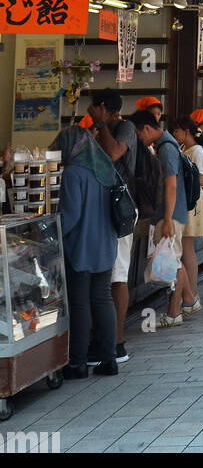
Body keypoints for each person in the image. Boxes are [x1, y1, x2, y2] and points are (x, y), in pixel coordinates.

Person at [56, 125, 119, 378]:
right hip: (105, 244)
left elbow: (69, 216)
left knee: (80, 304)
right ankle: (109, 359)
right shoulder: (105, 168)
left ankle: (78, 363)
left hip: (81, 247)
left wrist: (50, 235)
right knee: (103, 298)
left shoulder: (73, 173)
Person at [86, 89, 136, 363]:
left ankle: (117, 344)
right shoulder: (99, 129)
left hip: (121, 210)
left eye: (93, 108)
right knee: (106, 273)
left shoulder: (125, 127)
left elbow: (115, 153)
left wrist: (101, 125)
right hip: (104, 209)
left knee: (117, 275)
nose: (89, 112)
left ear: (103, 108)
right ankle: (104, 339)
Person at [132, 111, 191, 327]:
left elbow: (171, 184)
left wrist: (167, 219)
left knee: (173, 263)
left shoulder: (166, 147)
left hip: (171, 214)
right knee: (176, 261)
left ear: (146, 128)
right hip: (174, 212)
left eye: (140, 135)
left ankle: (174, 312)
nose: (140, 140)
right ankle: (187, 301)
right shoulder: (168, 144)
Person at [170, 116, 203, 315]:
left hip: (191, 202)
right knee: (185, 249)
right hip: (187, 201)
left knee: (187, 249)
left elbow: (201, 179)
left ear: (186, 131)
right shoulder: (186, 149)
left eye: (177, 130)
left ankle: (192, 292)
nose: (175, 134)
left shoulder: (196, 151)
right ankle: (190, 292)